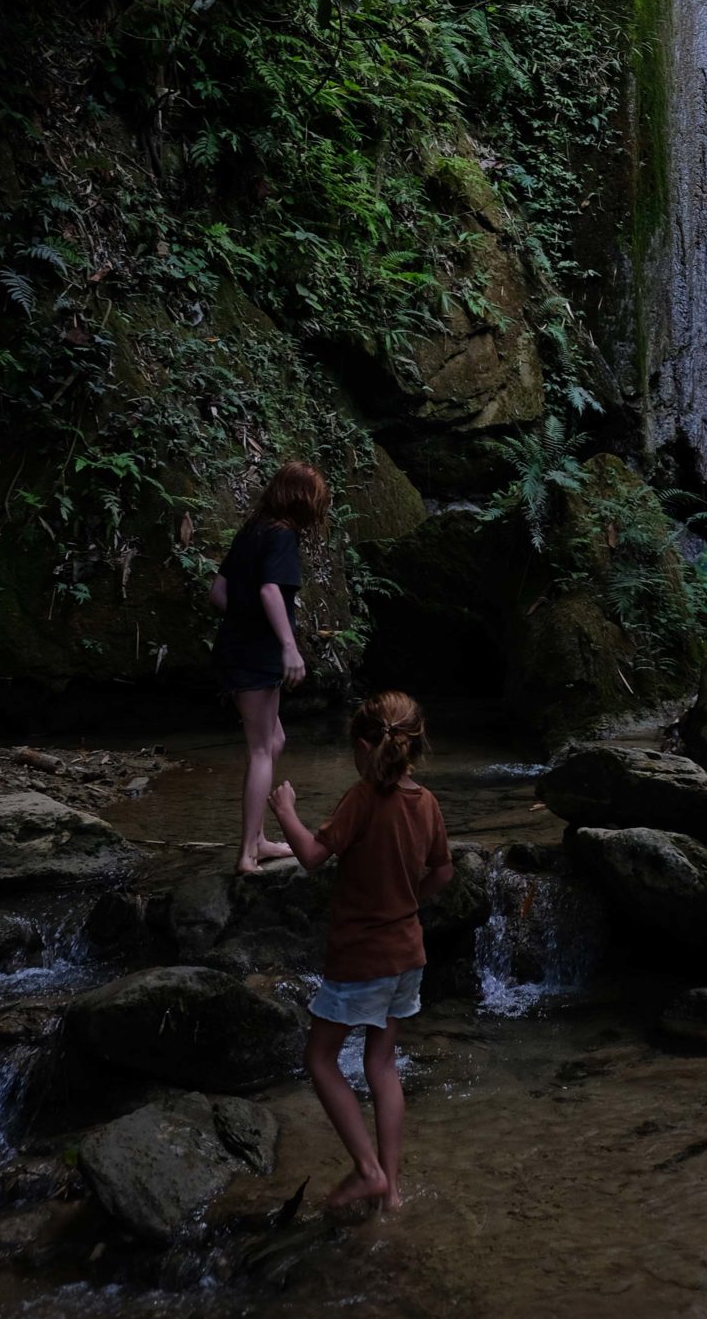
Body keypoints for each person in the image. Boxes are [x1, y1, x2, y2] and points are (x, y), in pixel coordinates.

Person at [267, 690, 454, 1213]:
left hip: (361, 957)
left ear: (363, 746)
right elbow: (443, 871)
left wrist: (285, 811)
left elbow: (309, 857)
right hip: (407, 954)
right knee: (383, 1061)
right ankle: (390, 1189)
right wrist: (409, 900)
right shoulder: (428, 802)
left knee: (320, 1058)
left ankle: (368, 1171)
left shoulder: (363, 798)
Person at [208, 459, 329, 875]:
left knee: (274, 740)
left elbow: (218, 592)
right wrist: (288, 646)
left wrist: (245, 624)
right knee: (261, 749)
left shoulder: (252, 531)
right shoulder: (281, 536)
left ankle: (258, 838)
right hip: (256, 656)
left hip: (236, 649)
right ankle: (247, 853)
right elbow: (270, 590)